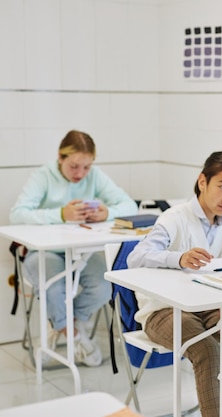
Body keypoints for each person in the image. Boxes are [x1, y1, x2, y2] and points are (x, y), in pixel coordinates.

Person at [126, 151, 222, 417]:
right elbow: (135, 258)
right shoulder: (174, 218)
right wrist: (179, 257)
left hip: (209, 307)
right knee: (208, 350)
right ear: (202, 182)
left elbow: (219, 275)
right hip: (164, 311)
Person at [10, 129, 138, 367]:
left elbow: (129, 205)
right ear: (60, 158)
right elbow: (17, 214)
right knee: (53, 287)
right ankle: (75, 336)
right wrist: (60, 213)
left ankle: (62, 326)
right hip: (43, 252)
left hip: (82, 251)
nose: (80, 173)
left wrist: (107, 212)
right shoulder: (44, 176)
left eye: (86, 167)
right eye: (74, 166)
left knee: (106, 283)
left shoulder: (95, 176)